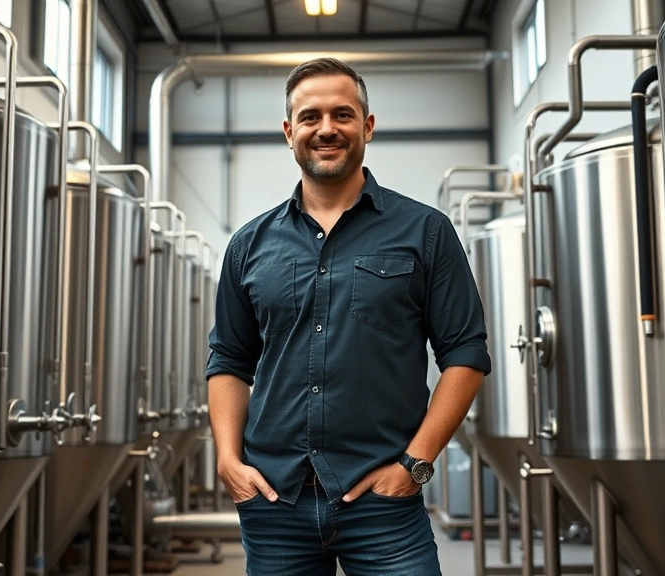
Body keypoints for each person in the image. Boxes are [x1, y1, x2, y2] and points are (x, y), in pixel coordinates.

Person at [205, 57, 491, 576]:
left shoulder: (425, 231)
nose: (327, 129)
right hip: (275, 503)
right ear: (290, 133)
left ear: (368, 125)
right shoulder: (249, 245)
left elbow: (466, 354)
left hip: (384, 502)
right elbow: (228, 358)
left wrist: (415, 464)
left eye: (342, 114)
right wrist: (228, 457)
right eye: (310, 117)